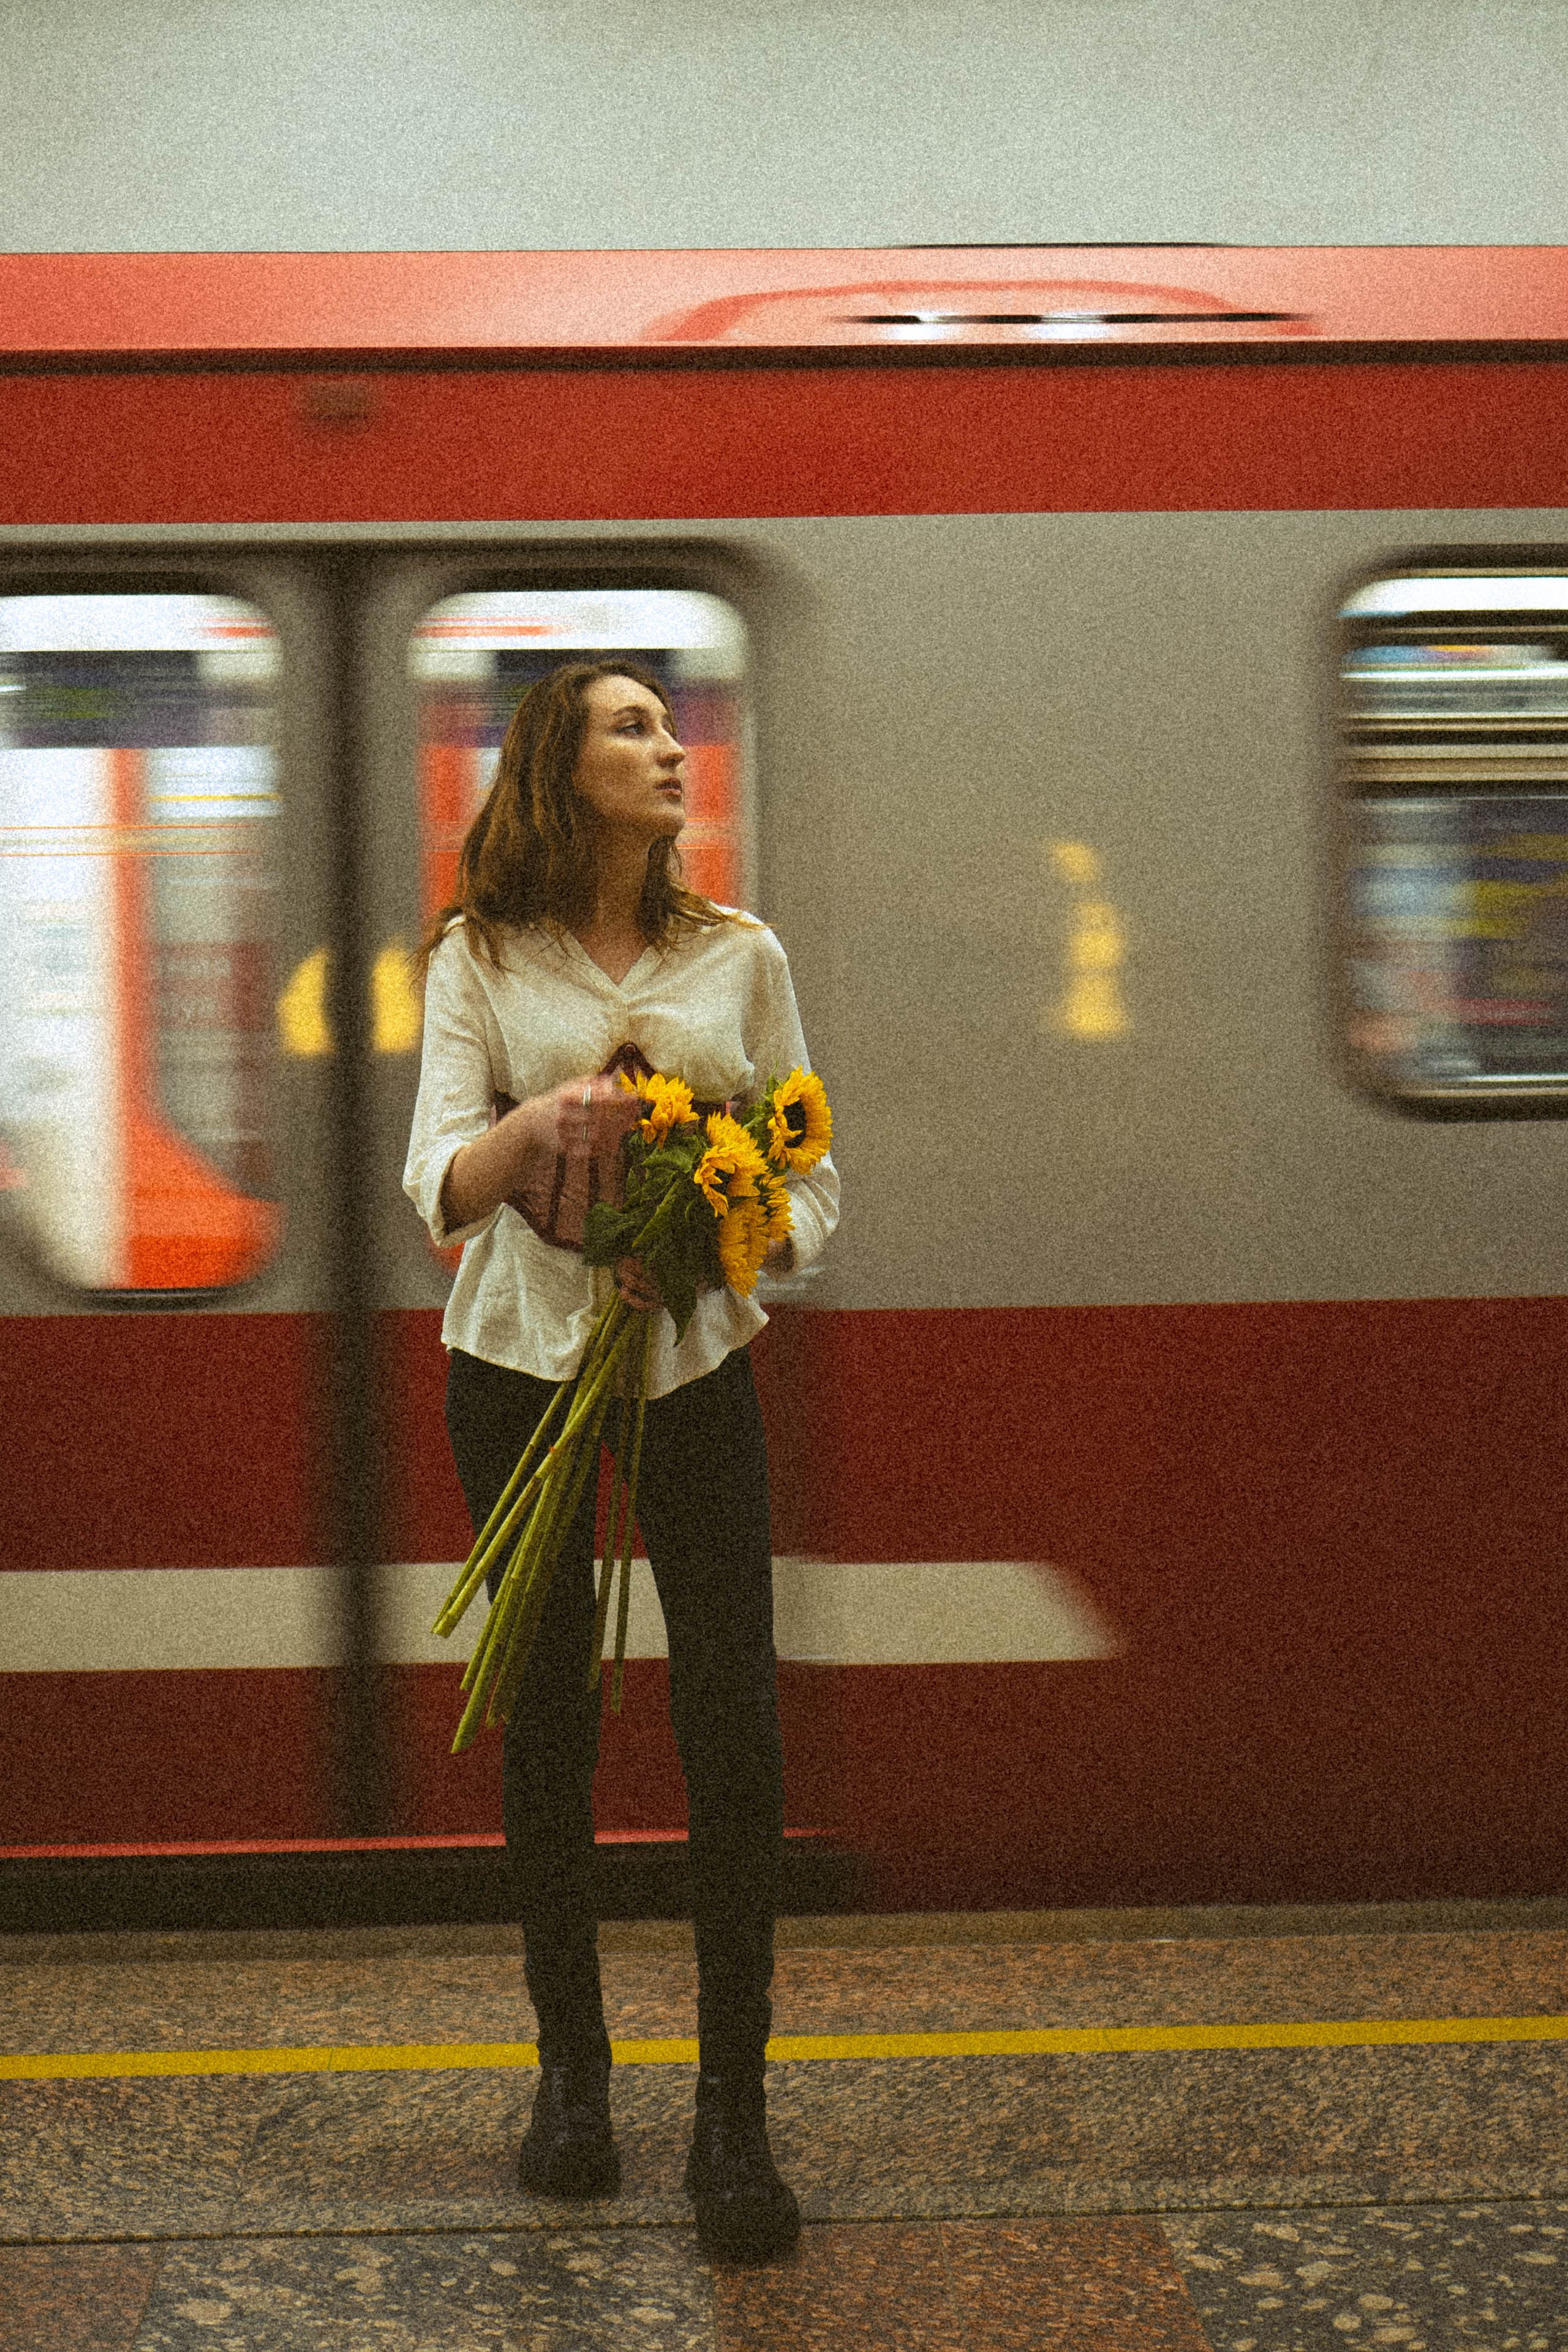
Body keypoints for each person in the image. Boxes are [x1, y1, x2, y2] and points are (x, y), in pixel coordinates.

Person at [403, 658, 839, 2263]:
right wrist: (564, 1137)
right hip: (514, 1371)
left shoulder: (742, 957)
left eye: (671, 727)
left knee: (735, 1725)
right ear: (558, 766)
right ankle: (573, 2082)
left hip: (698, 1365)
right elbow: (434, 1178)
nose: (670, 749)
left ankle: (734, 2112)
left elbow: (813, 1167)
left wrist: (720, 1225)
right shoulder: (478, 954)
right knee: (553, 1727)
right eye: (632, 728)